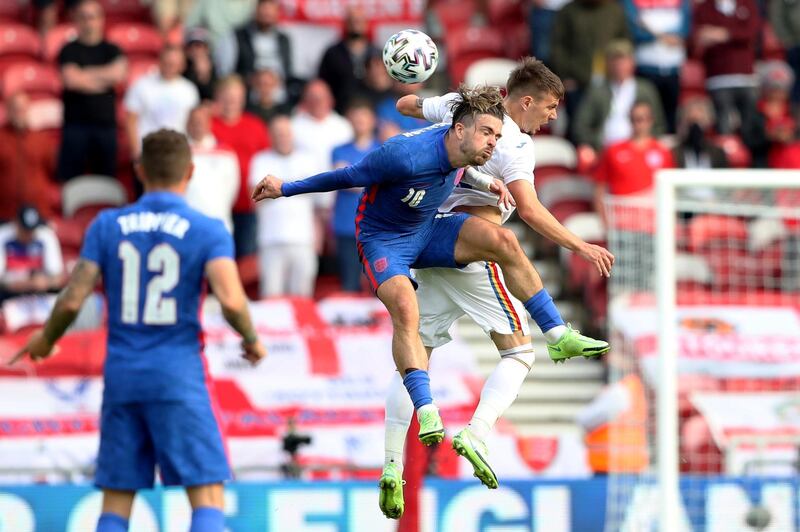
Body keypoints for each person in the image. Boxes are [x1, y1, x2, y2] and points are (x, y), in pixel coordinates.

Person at [251, 85, 610, 512]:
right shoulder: (405, 155)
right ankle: (432, 413)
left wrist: (489, 180)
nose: (493, 144)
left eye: (497, 136)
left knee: (501, 242)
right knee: (412, 313)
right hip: (385, 241)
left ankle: (393, 463)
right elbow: (347, 176)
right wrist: (285, 187)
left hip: (429, 232)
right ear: (460, 129)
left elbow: (438, 138)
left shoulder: (465, 148)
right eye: (488, 136)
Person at [387, 56, 615, 516]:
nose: (552, 117)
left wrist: (421, 86)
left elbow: (406, 104)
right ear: (526, 101)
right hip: (468, 250)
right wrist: (581, 245)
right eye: (549, 107)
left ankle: (392, 465)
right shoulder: (513, 143)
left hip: (426, 246)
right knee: (519, 352)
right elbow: (529, 210)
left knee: (414, 358)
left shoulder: (462, 107)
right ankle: (477, 431)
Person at [9, 129, 267, 532]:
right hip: (179, 375)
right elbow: (232, 300)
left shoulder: (107, 224)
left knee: (117, 500)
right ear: (192, 171)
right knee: (206, 495)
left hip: (123, 376)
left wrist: (45, 339)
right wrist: (251, 341)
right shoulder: (207, 228)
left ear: (139, 170)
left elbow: (74, 297)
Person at [249, 115, 323, 297]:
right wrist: (294, 186)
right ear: (270, 136)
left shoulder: (308, 160)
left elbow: (319, 202)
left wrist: (278, 189)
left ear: (293, 135)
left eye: (285, 133)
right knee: (271, 295)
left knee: (303, 296)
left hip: (304, 239)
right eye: (277, 133)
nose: (282, 137)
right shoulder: (260, 160)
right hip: (270, 239)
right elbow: (255, 197)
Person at [56, 0, 128, 181]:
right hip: (75, 127)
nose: (89, 22)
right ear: (77, 21)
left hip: (105, 127)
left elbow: (118, 75)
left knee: (106, 182)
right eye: (84, 17)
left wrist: (84, 74)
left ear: (101, 20)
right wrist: (104, 77)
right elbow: (71, 80)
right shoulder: (68, 50)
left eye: (93, 17)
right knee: (71, 181)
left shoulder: (113, 50)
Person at [573, 39, 666, 169]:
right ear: (608, 64)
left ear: (632, 63)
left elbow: (658, 125)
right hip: (604, 150)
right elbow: (581, 126)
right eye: (615, 62)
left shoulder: (646, 90)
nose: (620, 66)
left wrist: (643, 143)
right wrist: (592, 144)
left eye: (624, 61)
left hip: (638, 151)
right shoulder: (597, 91)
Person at [211, 75, 271, 257]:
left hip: (249, 204)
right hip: (217, 205)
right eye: (226, 98)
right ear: (217, 98)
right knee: (219, 256)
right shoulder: (209, 125)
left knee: (247, 257)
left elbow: (267, 161)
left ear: (243, 99)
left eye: (235, 98)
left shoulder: (255, 125)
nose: (231, 102)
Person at [331, 101, 381, 292]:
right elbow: (343, 180)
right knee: (349, 283)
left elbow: (349, 177)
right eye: (356, 116)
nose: (359, 121)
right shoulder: (338, 150)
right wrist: (370, 179)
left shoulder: (382, 149)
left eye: (364, 116)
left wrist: (352, 175)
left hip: (375, 226)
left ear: (372, 121)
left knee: (377, 284)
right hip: (346, 225)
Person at [124, 45, 200, 161]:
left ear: (182, 65)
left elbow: (193, 122)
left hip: (177, 154)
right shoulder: (142, 85)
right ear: (159, 62)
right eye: (166, 62)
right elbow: (131, 120)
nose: (169, 67)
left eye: (174, 64)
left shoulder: (189, 90)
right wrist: (136, 150)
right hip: (148, 152)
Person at [0, 92, 58, 221]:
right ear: (7, 111)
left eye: (22, 109)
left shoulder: (42, 139)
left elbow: (53, 170)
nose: (19, 113)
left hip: (38, 213)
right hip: (5, 214)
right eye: (15, 109)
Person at [185, 105, 240, 233]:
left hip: (219, 224)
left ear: (209, 123)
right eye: (194, 121)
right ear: (187, 124)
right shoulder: (179, 152)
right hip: (188, 227)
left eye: (201, 121)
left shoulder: (226, 153)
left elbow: (232, 189)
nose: (197, 125)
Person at [317, 5, 377, 114]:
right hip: (339, 112)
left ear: (367, 24)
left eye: (359, 21)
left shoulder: (377, 54)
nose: (355, 25)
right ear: (345, 23)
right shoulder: (332, 53)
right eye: (352, 21)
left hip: (373, 112)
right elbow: (322, 84)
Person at [0, 205, 65, 302]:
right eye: (25, 230)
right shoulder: (3, 235)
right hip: (8, 296)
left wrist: (45, 283)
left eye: (32, 230)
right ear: (16, 223)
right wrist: (21, 284)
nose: (29, 234)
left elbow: (58, 276)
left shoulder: (46, 235)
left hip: (41, 295)